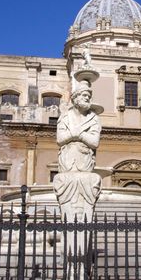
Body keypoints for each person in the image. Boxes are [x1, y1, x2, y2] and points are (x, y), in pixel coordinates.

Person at [53, 80, 102, 222]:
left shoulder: (94, 118)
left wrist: (77, 135)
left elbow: (95, 142)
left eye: (89, 96)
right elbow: (60, 139)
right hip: (67, 162)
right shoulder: (65, 117)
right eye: (84, 95)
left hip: (85, 162)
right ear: (75, 98)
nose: (87, 98)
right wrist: (79, 135)